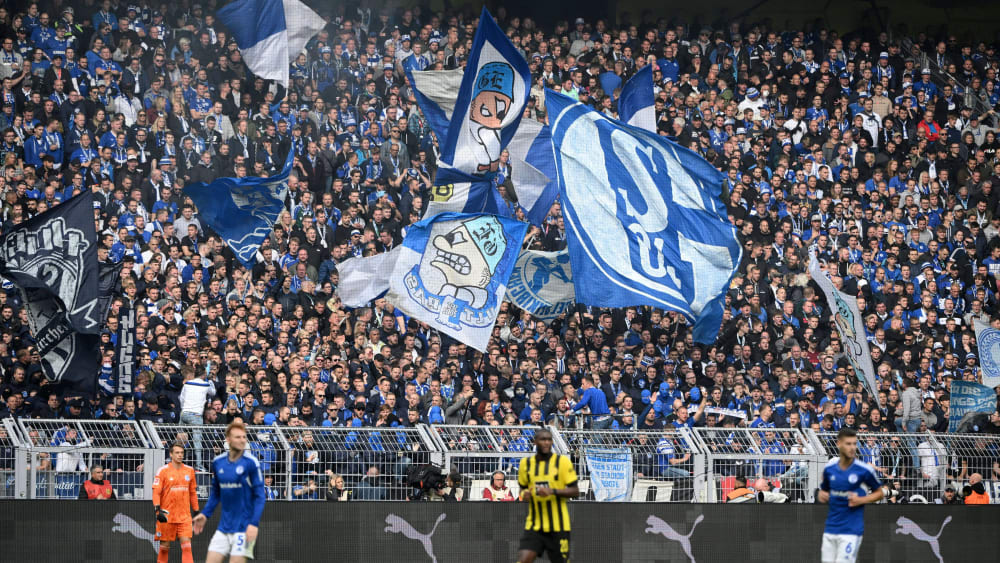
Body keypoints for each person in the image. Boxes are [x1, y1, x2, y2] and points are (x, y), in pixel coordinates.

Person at [193, 421, 266, 563]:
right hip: (223, 528)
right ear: (228, 439)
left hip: (244, 529)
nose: (242, 440)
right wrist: (205, 514)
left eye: (244, 437)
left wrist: (254, 524)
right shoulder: (218, 462)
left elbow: (260, 496)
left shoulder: (251, 463)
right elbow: (215, 493)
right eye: (238, 437)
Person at [817, 428, 888, 563]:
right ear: (839, 444)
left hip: (851, 530)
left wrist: (862, 499)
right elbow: (822, 493)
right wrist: (822, 496)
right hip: (830, 529)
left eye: (854, 444)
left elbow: (879, 493)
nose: (852, 448)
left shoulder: (863, 470)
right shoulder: (829, 470)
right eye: (848, 444)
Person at [516, 428, 579, 563]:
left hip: (559, 526)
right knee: (523, 560)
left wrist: (552, 491)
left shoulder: (562, 462)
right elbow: (522, 489)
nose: (546, 443)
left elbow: (575, 491)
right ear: (535, 442)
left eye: (549, 440)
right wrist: (525, 494)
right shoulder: (525, 464)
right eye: (542, 439)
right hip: (534, 525)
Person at [153, 442, 199, 563]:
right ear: (171, 454)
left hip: (184, 516)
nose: (180, 455)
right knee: (164, 548)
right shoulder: (162, 471)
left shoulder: (189, 470)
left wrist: (196, 510)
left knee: (187, 547)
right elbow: (156, 492)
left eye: (182, 453)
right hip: (167, 515)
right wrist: (157, 510)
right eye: (177, 453)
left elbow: (193, 492)